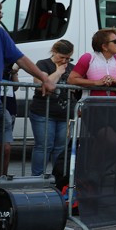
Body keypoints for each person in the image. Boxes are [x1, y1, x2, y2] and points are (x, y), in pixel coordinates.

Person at [0, 0, 57, 177]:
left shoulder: (0, 34)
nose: (0, 15)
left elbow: (20, 58)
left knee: (5, 148)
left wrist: (43, 77)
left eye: (1, 11)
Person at [28, 39, 74, 177]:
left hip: (65, 114)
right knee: (43, 146)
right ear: (54, 52)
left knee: (60, 148)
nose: (65, 61)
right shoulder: (43, 64)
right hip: (43, 112)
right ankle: (37, 178)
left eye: (68, 58)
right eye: (62, 57)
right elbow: (42, 83)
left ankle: (57, 177)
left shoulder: (72, 67)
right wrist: (59, 72)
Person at [69, 28, 116, 97]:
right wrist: (96, 82)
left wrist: (114, 81)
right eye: (115, 41)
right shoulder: (88, 57)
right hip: (91, 104)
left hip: (113, 104)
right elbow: (71, 80)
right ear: (104, 46)